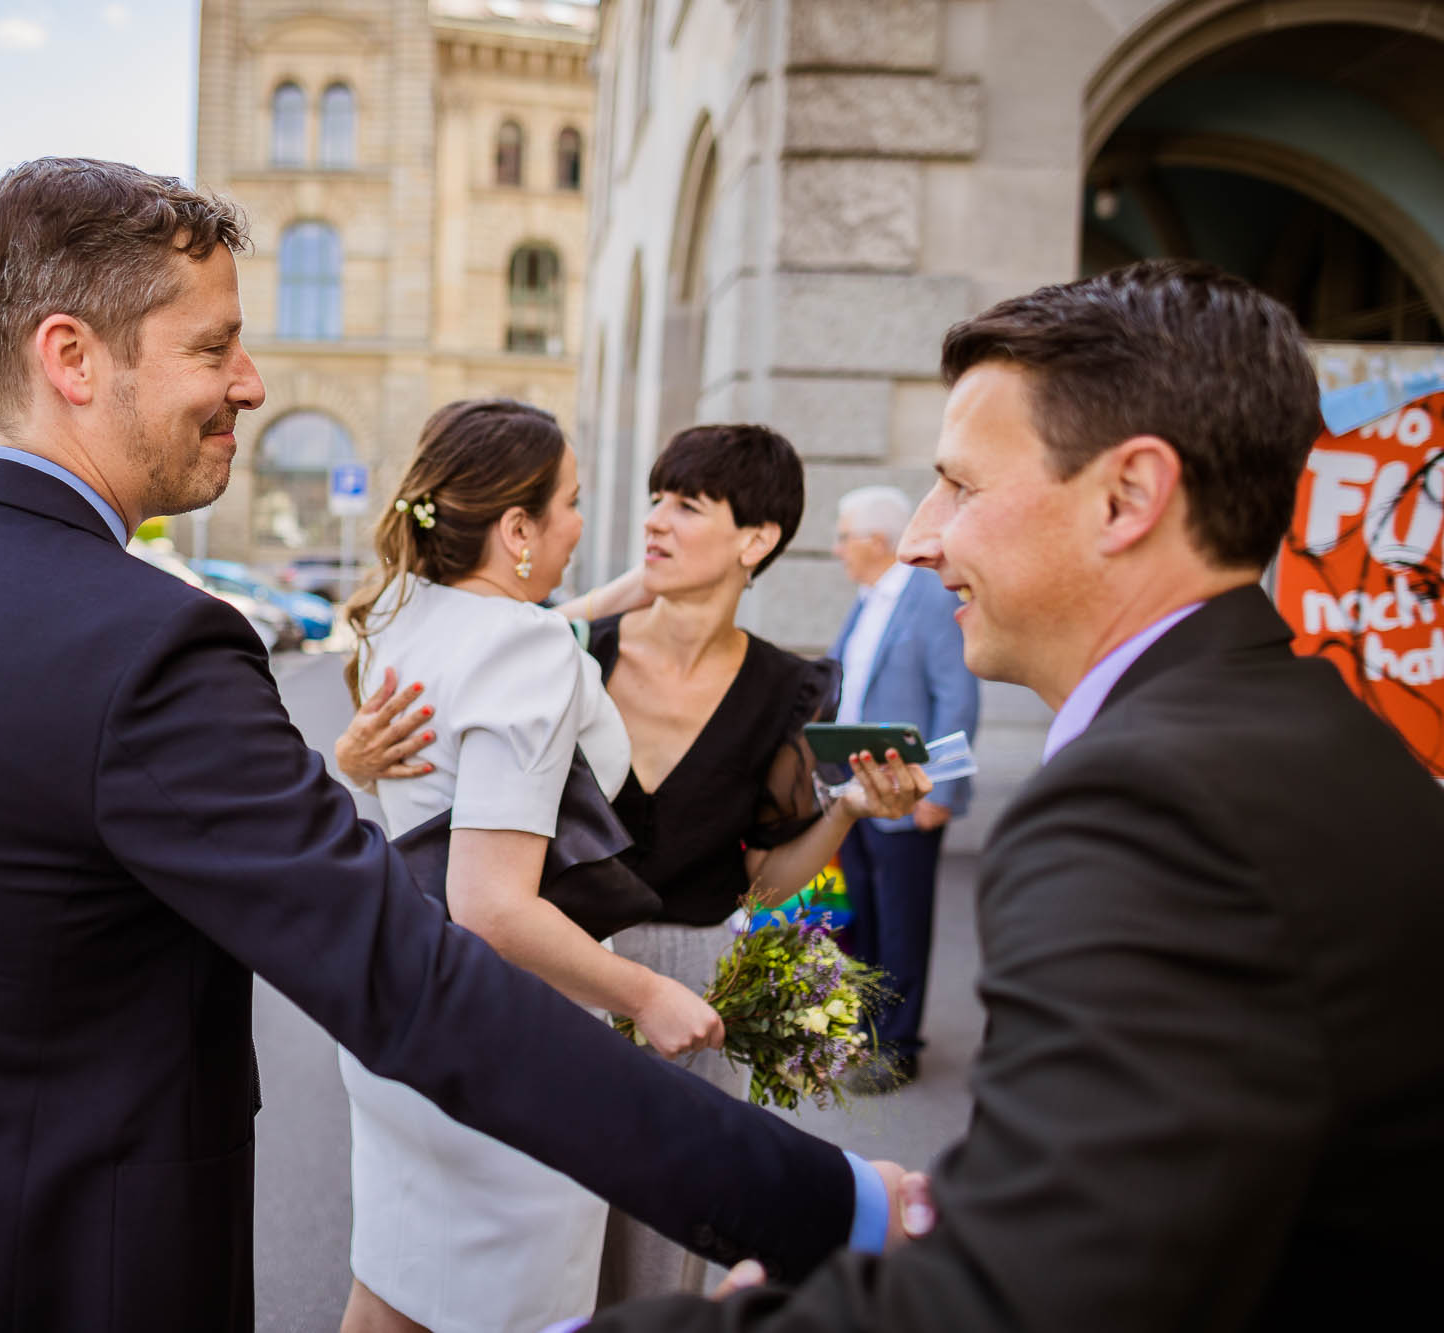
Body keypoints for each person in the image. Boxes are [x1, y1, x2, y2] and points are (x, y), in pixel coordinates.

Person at [0, 159, 927, 1333]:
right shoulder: (150, 646)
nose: (249, 384)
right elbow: (418, 983)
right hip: (57, 1274)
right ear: (69, 356)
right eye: (211, 346)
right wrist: (828, 1199)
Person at [582, 260, 1444, 1331]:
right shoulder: (1305, 728)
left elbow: (1029, 1301)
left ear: (1127, 497)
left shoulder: (1144, 807)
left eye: (960, 486)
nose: (916, 536)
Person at [338, 425, 933, 1308]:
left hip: (692, 991)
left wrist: (847, 808)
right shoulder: (574, 646)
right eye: (653, 498)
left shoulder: (786, 688)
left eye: (684, 504)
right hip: (557, 971)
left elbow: (765, 880)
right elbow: (464, 730)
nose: (651, 520)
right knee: (529, 1275)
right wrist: (358, 761)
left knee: (651, 1272)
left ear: (756, 539)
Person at [827, 485, 980, 1085]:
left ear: (874, 541)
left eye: (843, 537)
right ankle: (867, 1031)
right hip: (857, 794)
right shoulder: (868, 601)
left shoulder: (928, 600)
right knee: (862, 917)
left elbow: (958, 695)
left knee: (902, 921)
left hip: (909, 797)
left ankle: (899, 1047)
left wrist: (941, 791)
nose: (837, 550)